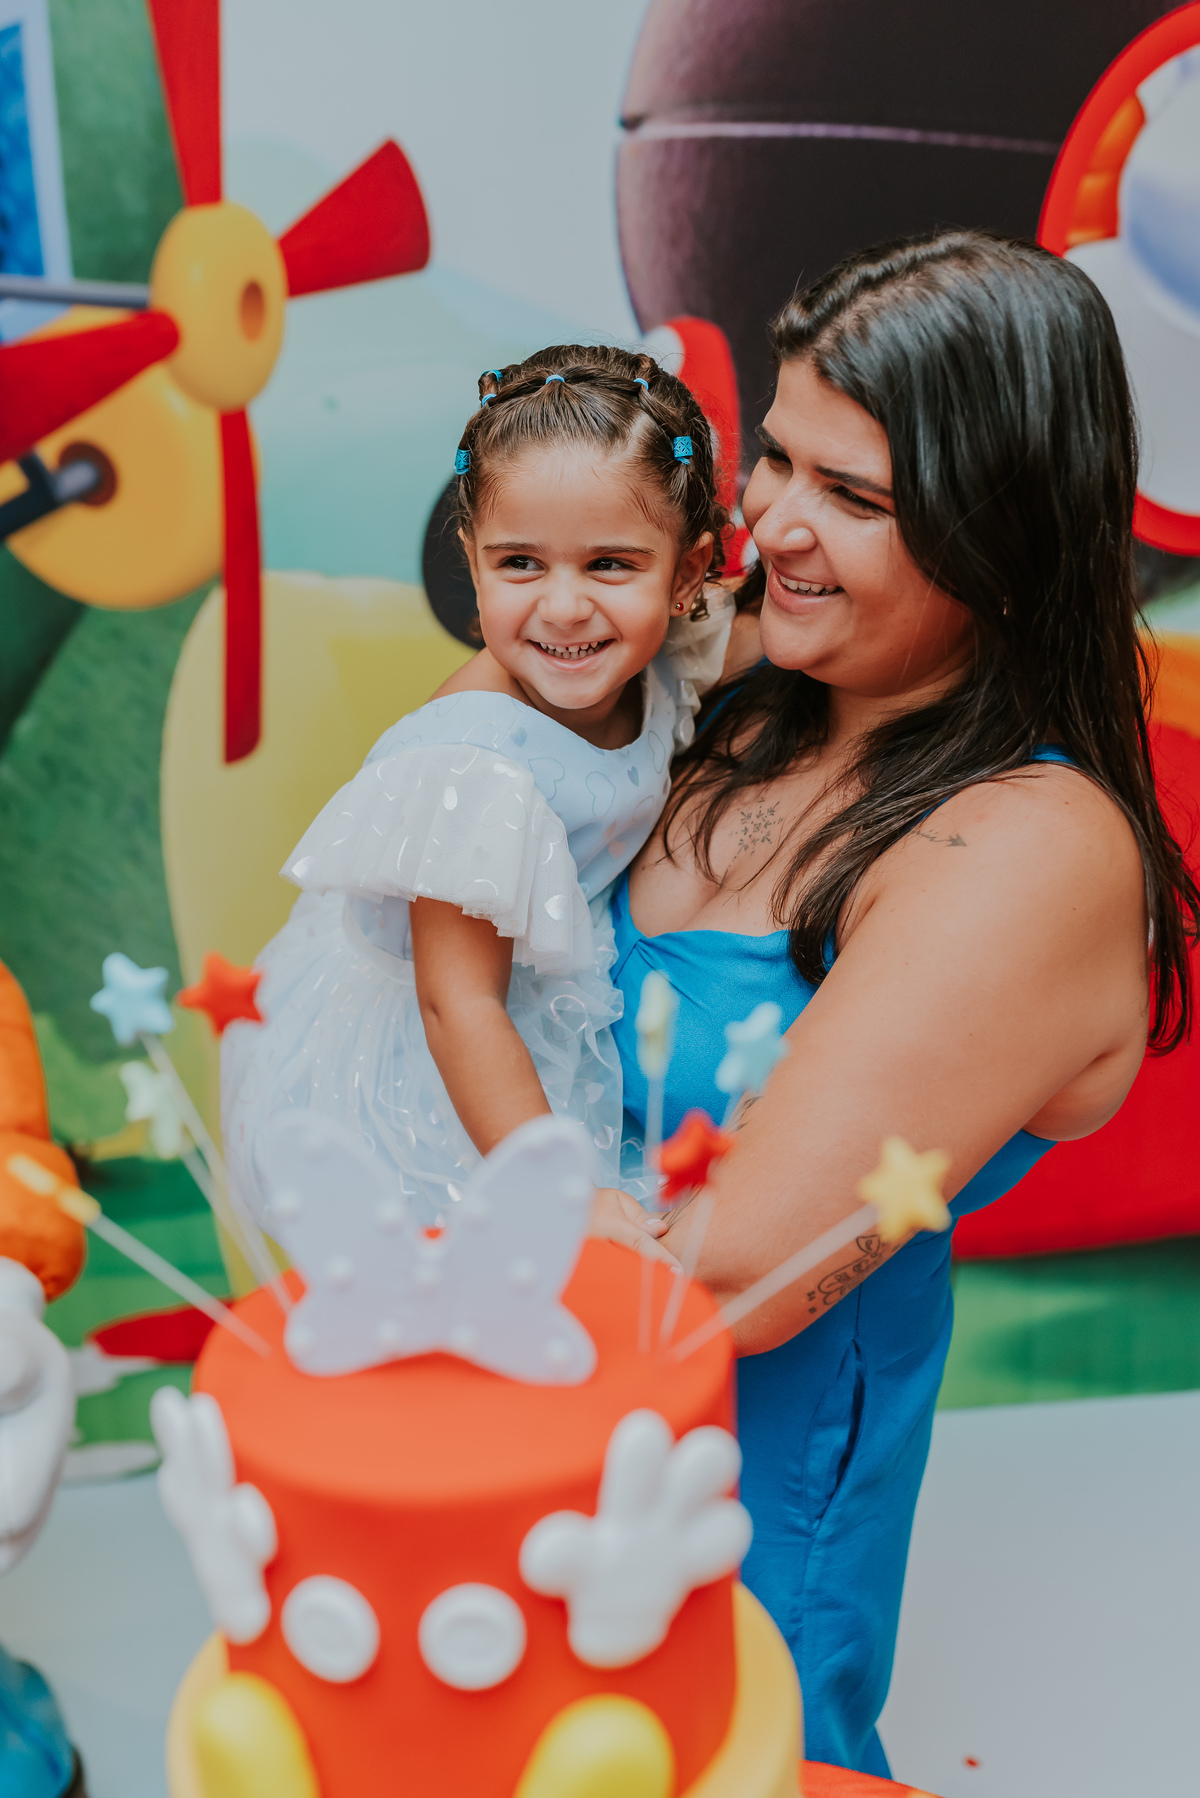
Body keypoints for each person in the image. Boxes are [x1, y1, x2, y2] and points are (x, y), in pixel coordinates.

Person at [592, 230, 1200, 1774]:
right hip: (529, 1450)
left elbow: (734, 1274)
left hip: (717, 1523)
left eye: (854, 498)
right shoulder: (755, 698)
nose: (777, 525)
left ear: (1002, 535)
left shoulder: (1027, 847)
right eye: (779, 459)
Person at [223, 345, 732, 1225]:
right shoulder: (474, 763)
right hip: (439, 1053)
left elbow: (760, 631)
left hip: (523, 1000)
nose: (564, 607)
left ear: (688, 573)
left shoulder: (666, 653)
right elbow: (456, 1004)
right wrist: (568, 1198)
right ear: (472, 557)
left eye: (610, 564)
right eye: (520, 564)